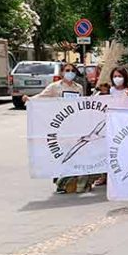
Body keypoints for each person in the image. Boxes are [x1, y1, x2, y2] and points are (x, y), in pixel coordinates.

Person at [26, 63, 87, 193]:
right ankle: (60, 181)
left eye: (72, 70)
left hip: (74, 125)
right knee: (61, 153)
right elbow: (41, 97)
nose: (70, 73)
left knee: (73, 153)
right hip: (60, 126)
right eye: (67, 70)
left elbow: (82, 105)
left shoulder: (79, 88)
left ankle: (69, 181)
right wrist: (30, 99)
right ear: (62, 73)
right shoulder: (54, 87)